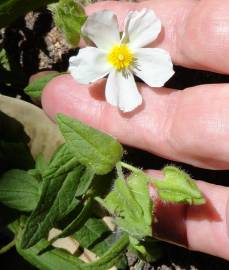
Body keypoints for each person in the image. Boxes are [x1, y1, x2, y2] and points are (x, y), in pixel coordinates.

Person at [41, 0, 229, 261]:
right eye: (119, 54)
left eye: (123, 54)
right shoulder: (105, 55)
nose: (122, 56)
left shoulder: (130, 56)